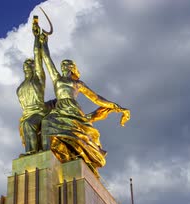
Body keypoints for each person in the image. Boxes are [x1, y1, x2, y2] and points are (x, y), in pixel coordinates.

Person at [38, 32, 130, 176]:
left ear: (72, 69)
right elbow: (48, 61)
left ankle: (82, 157)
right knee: (46, 123)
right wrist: (43, 42)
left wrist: (114, 105)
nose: (63, 67)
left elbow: (96, 98)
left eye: (66, 65)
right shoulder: (57, 79)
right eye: (62, 65)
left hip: (73, 110)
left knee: (78, 135)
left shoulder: (78, 83)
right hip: (60, 108)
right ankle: (45, 156)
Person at [17, 17, 47, 155]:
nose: (27, 65)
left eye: (30, 63)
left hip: (39, 113)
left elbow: (37, 55)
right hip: (26, 115)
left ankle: (32, 153)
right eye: (25, 64)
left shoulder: (39, 79)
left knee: (28, 124)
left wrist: (36, 38)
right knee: (26, 123)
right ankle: (31, 152)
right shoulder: (21, 86)